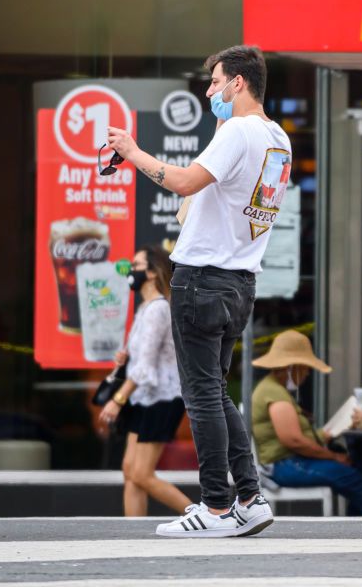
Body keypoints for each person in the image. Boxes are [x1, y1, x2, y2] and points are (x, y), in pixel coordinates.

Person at [107, 44, 290, 538]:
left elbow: (186, 183)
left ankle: (214, 506)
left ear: (238, 84)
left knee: (202, 394)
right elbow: (224, 185)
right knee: (216, 391)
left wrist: (131, 152)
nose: (209, 91)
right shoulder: (276, 138)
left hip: (202, 278)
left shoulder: (238, 132)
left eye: (214, 82)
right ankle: (249, 498)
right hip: (239, 282)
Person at [251, 330, 362, 516]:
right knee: (361, 482)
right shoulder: (273, 392)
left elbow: (297, 436)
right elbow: (293, 440)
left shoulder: (275, 389)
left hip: (290, 462)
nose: (306, 374)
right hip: (285, 465)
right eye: (305, 368)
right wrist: (333, 456)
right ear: (293, 367)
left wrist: (328, 433)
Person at [98, 246, 190, 517]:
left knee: (141, 474)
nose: (131, 270)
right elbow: (141, 359)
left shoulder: (158, 309)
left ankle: (204, 514)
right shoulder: (146, 308)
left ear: (152, 273)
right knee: (130, 471)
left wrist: (118, 399)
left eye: (136, 265)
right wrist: (124, 358)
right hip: (145, 397)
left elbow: (146, 368)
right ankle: (133, 533)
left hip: (162, 398)